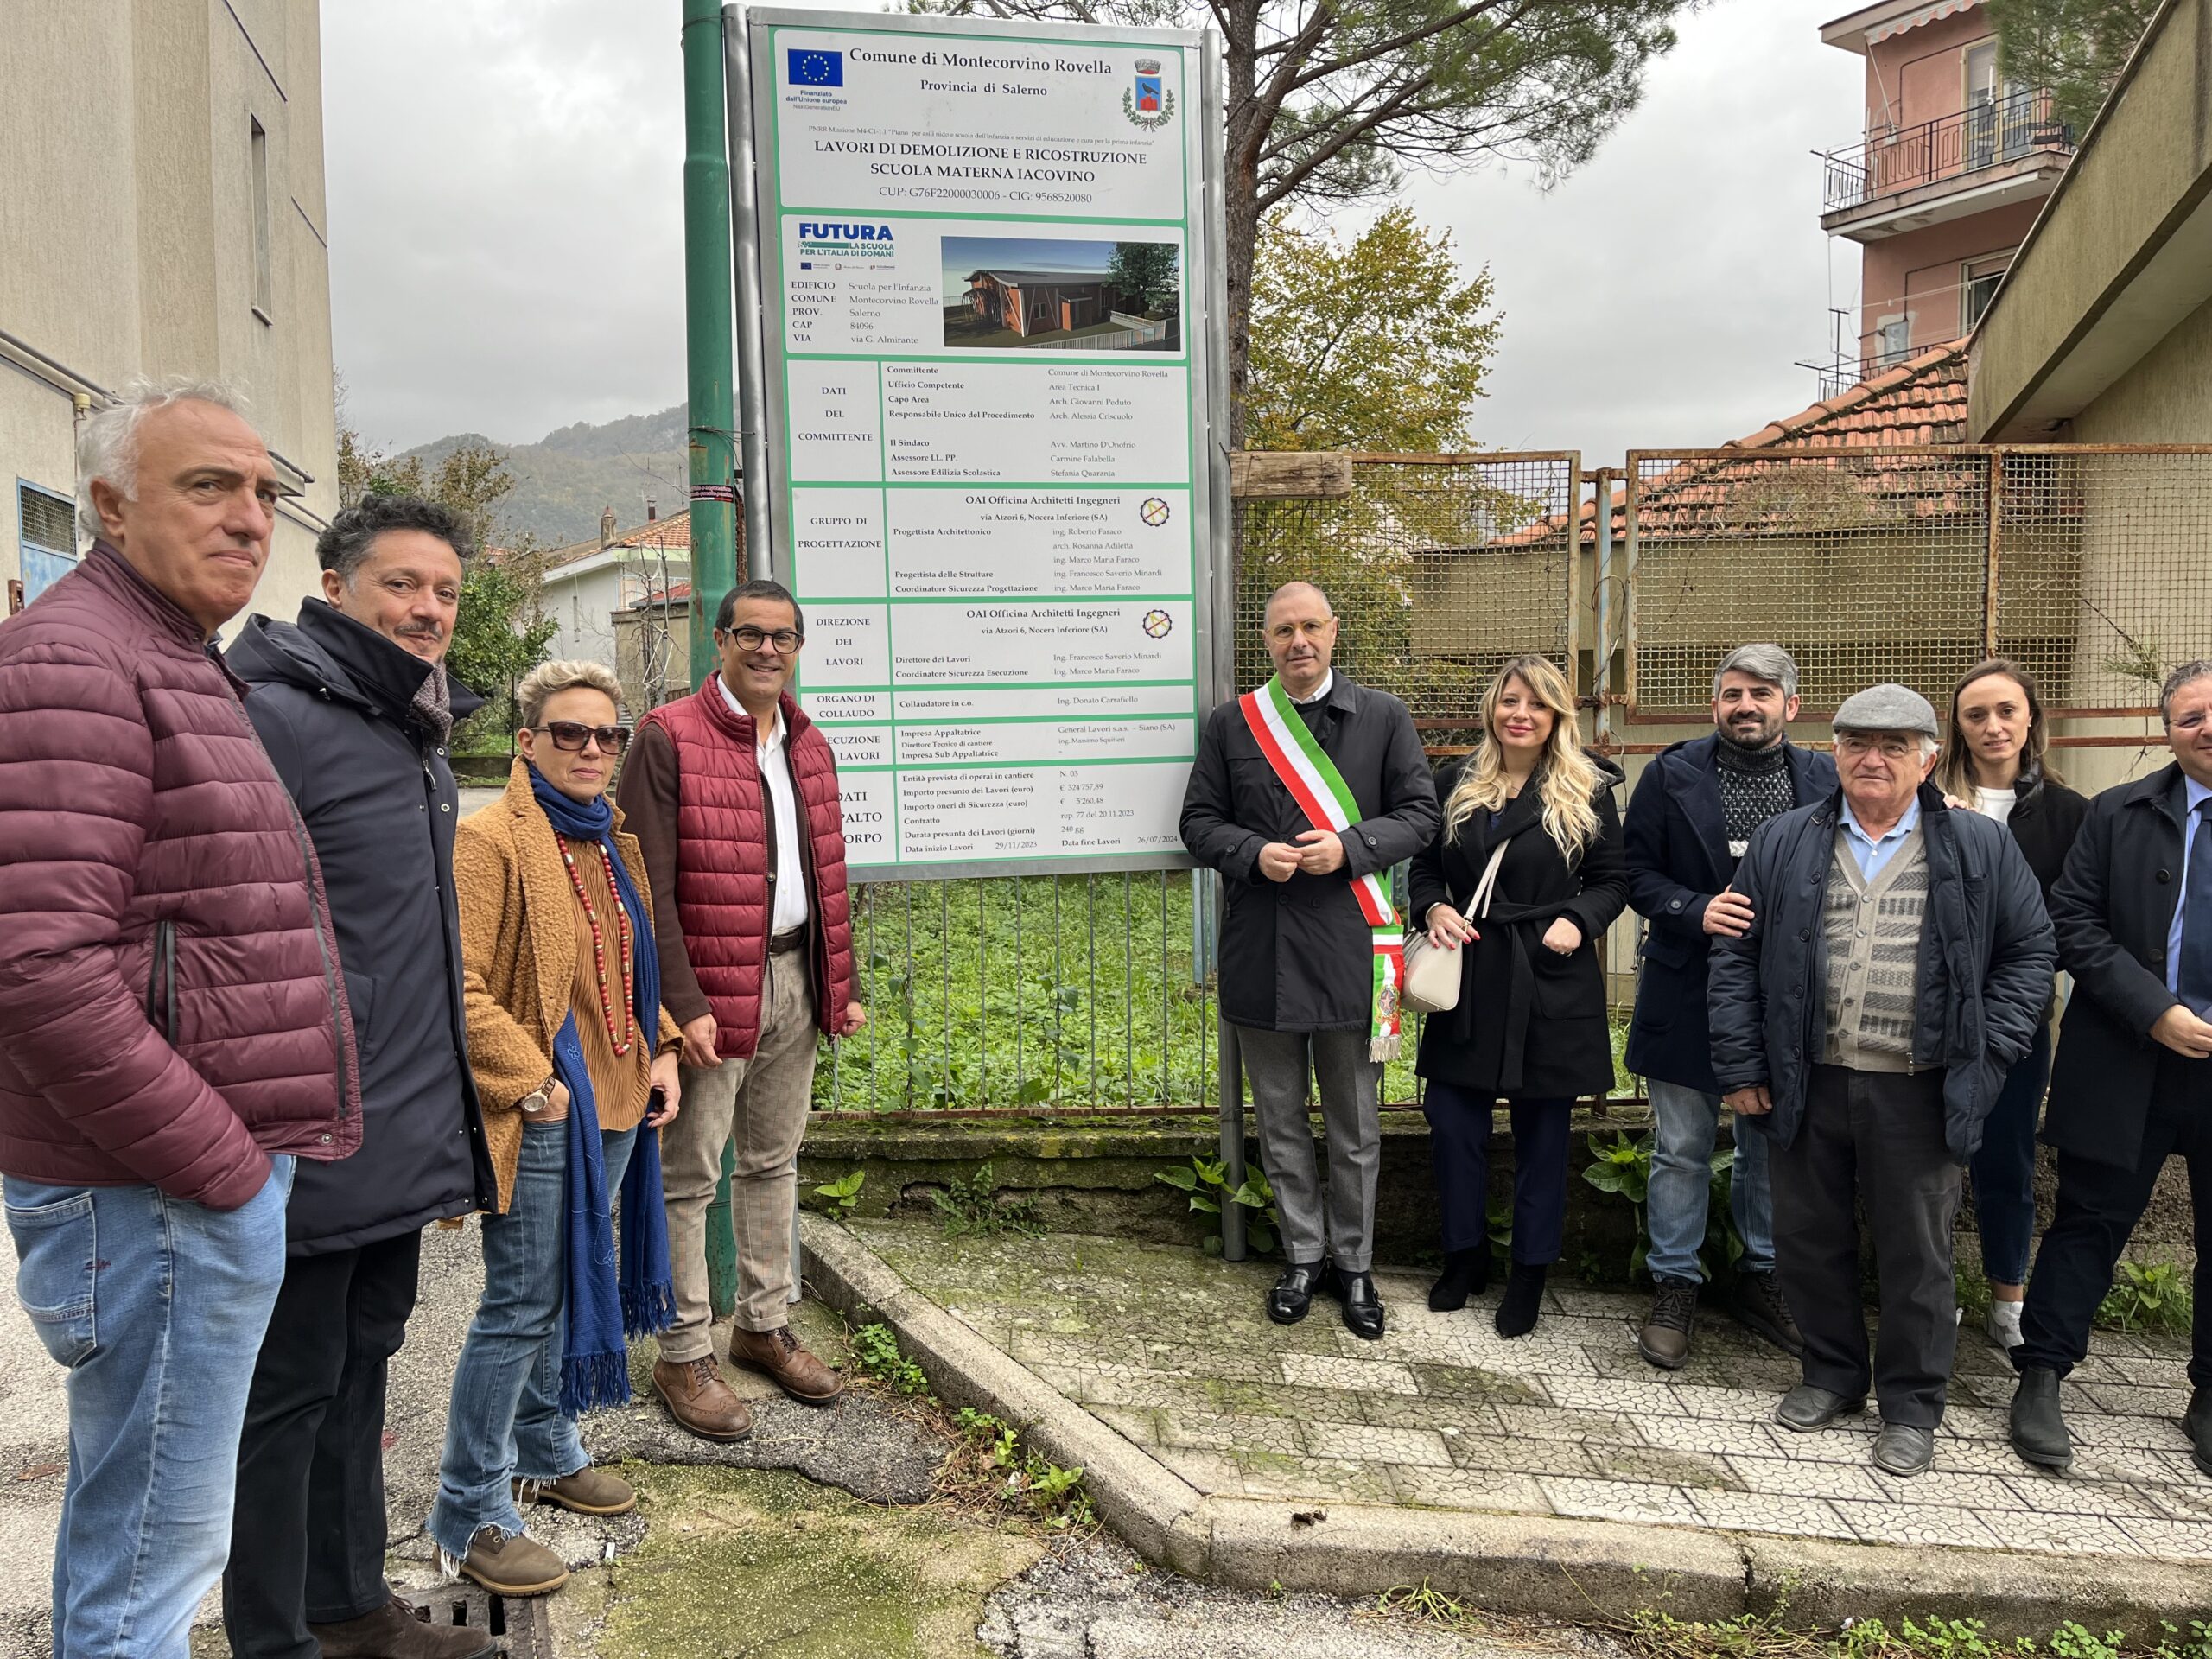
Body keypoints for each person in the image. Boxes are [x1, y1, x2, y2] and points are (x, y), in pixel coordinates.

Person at [0, 378, 359, 1657]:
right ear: (106, 505)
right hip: (151, 1191)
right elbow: (37, 966)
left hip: (163, 1188)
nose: (251, 517)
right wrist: (220, 1167)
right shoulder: (78, 660)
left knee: (152, 1530)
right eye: (209, 486)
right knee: (153, 1551)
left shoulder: (162, 652)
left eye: (265, 491)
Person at [218, 493, 499, 1659]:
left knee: (362, 1365)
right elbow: (225, 933)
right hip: (304, 1123)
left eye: (443, 591)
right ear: (335, 587)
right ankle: (272, 1635)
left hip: (394, 1124)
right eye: (401, 585)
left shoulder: (403, 725)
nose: (426, 609)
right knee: (285, 1395)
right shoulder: (273, 714)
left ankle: (348, 1608)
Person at [1709, 684, 2053, 1478]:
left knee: (1917, 1254)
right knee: (1808, 1239)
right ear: (1833, 750)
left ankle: (1911, 1406)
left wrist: (1987, 1052)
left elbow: (2031, 953)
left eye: (1895, 746)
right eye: (1858, 742)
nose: (1873, 758)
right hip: (1808, 1078)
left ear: (1928, 758)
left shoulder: (1977, 845)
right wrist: (1743, 1065)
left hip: (1921, 1087)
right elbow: (1734, 957)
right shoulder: (1785, 839)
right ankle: (1830, 1375)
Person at [430, 661, 683, 1597]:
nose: (590, 750)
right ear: (526, 742)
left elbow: (625, 970)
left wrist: (659, 1047)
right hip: (542, 1111)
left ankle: (543, 1441)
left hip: (616, 1100)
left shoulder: (611, 839)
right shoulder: (492, 839)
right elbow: (456, 985)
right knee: (521, 1304)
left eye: (606, 736)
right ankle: (468, 1507)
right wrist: (533, 1083)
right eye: (568, 733)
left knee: (570, 1285)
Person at [616, 580, 862, 1438]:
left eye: (782, 637)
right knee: (690, 1176)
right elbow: (645, 886)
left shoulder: (808, 739)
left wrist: (842, 982)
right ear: (719, 640)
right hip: (709, 994)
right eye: (749, 634)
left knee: (773, 1160)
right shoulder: (667, 737)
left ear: (798, 645)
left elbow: (825, 870)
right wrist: (678, 1004)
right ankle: (684, 1352)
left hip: (796, 976)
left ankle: (762, 1325)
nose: (767, 650)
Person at [1179, 581, 1440, 1340]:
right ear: (1267, 641)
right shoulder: (1234, 724)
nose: (1300, 641)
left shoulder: (1384, 716)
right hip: (1263, 950)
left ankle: (1355, 1266)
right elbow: (1199, 822)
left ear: (1334, 630)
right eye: (1284, 630)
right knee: (1282, 1119)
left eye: (1312, 626)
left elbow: (1421, 814)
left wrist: (1349, 849)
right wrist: (1254, 852)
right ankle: (1303, 1256)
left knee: (1357, 1125)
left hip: (1356, 954)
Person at [2010, 661, 2212, 1477]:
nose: (2206, 727)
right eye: (2190, 716)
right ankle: (2043, 1377)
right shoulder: (2116, 814)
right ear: (2166, 731)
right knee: (2088, 1222)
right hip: (2129, 1053)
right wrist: (2153, 1009)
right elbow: (2070, 920)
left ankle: (2208, 1397)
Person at [1623, 644, 1832, 1369]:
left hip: (1786, 996)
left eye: (1762, 693)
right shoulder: (1670, 774)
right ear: (1716, 704)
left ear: (1791, 706)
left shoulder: (1827, 781)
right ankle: (1674, 1285)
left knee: (1768, 1145)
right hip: (1685, 989)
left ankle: (1761, 1276)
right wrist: (1693, 907)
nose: (1747, 705)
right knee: (1680, 1148)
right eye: (1734, 693)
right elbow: (1633, 873)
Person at [1411, 654, 1627, 1338]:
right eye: (1510, 701)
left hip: (1548, 975)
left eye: (1536, 704)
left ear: (1557, 715)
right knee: (1453, 1124)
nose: (1520, 715)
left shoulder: (1587, 788)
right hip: (1470, 972)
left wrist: (1579, 921)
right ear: (1492, 710)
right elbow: (1422, 866)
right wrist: (1431, 910)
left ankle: (1529, 1273)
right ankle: (1463, 1256)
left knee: (1543, 1136)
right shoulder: (1457, 782)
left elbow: (1613, 880)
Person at [1935, 660, 2086, 1355]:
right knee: (1921, 1157)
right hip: (1929, 1010)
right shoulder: (1927, 801)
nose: (1992, 726)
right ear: (1957, 729)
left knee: (2008, 1157)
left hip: (2018, 1016)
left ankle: (2007, 1298)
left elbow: (2067, 921)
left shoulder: (2070, 814)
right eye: (1975, 715)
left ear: (2032, 721)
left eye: (2006, 711)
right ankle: (1928, 1292)